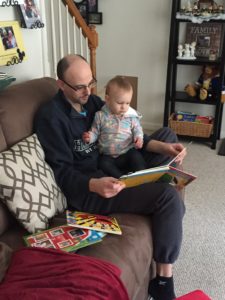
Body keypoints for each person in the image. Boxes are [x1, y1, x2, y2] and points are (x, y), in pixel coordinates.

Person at [34, 54, 186, 300]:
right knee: (168, 197)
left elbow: (128, 133)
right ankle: (163, 284)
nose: (88, 91)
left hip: (116, 165)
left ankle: (151, 185)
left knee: (167, 136)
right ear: (60, 84)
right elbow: (61, 171)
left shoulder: (93, 102)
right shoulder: (51, 118)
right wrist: (93, 184)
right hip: (92, 190)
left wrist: (164, 149)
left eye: (91, 83)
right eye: (80, 87)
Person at [82, 75, 146, 178]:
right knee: (103, 164)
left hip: (127, 152)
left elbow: (138, 129)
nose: (124, 107)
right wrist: (90, 137)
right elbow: (95, 131)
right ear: (107, 99)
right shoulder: (100, 116)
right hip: (108, 156)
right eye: (120, 103)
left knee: (137, 157)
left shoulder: (131, 116)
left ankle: (141, 176)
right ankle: (121, 178)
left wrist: (139, 138)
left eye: (127, 103)